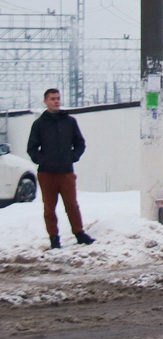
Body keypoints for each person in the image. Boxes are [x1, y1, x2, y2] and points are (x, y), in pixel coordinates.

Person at [26, 88, 94, 250]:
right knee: (49, 208)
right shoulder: (39, 124)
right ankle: (54, 238)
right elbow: (32, 147)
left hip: (66, 172)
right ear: (45, 101)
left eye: (58, 98)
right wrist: (42, 160)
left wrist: (72, 157)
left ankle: (79, 233)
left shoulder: (69, 122)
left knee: (72, 205)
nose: (56, 101)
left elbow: (80, 143)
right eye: (52, 99)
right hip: (46, 173)